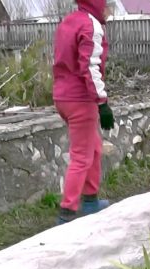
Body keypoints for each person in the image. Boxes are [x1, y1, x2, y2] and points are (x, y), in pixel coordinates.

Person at [52, 0, 117, 225]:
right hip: (81, 99)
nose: (110, 11)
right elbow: (90, 66)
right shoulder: (91, 26)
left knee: (95, 147)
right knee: (81, 156)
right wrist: (102, 103)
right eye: (108, 5)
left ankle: (90, 201)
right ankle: (66, 213)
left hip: (62, 97)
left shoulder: (69, 21)